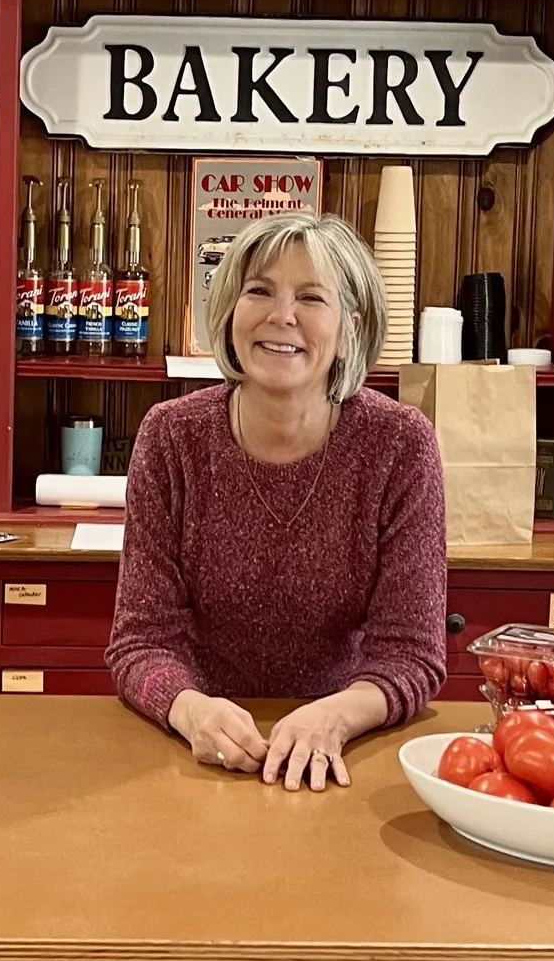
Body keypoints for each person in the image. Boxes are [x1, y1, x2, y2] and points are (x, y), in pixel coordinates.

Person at [106, 210, 447, 791]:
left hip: (342, 754)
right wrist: (190, 709)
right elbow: (141, 641)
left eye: (311, 298)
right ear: (231, 312)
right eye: (258, 291)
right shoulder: (170, 437)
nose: (280, 315)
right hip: (204, 756)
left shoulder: (399, 444)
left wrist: (336, 715)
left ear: (351, 330)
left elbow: (410, 654)